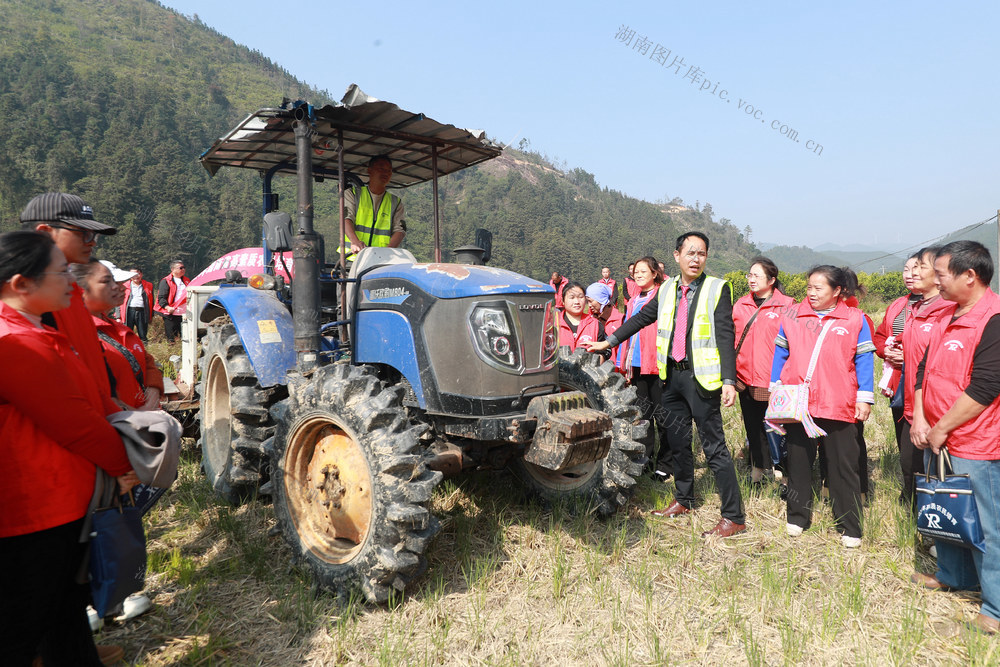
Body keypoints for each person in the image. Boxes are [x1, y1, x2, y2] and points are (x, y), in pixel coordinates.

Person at [0, 230, 135, 667]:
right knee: (29, 617)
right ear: (21, 284)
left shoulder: (34, 329)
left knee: (62, 605)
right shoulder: (17, 343)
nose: (71, 283)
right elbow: (74, 424)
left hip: (58, 498)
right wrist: (123, 464)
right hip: (37, 506)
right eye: (61, 275)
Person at [588, 232, 745, 538]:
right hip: (671, 377)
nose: (696, 259)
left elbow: (726, 335)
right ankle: (684, 499)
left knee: (714, 448)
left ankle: (734, 516)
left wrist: (728, 379)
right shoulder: (668, 288)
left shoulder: (717, 288)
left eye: (701, 254)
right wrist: (609, 341)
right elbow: (641, 318)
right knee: (678, 441)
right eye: (690, 253)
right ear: (676, 256)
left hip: (702, 380)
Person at [911, 240, 1000, 634]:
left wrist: (942, 427)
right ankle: (952, 574)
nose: (936, 280)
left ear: (970, 275)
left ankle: (994, 607)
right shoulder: (947, 313)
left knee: (985, 524)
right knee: (945, 511)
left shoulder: (993, 319)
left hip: (975, 441)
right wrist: (919, 418)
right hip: (936, 434)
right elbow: (923, 370)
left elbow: (985, 386)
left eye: (942, 273)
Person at [771, 265, 875, 548]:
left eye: (819, 288)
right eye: (809, 288)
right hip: (800, 403)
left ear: (837, 291)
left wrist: (865, 396)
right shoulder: (792, 314)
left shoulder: (855, 319)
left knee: (843, 466)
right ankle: (797, 517)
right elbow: (780, 353)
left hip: (838, 402)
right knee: (799, 462)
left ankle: (849, 525)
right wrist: (774, 387)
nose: (812, 293)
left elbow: (864, 360)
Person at [20, 192, 120, 416]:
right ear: (46, 233)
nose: (92, 241)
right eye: (84, 234)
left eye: (94, 234)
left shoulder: (70, 289)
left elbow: (93, 351)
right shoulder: (28, 298)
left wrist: (112, 399)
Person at [872, 253, 934, 509]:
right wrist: (887, 352)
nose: (910, 274)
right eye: (907, 269)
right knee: (905, 439)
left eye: (917, 268)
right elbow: (880, 337)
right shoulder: (898, 305)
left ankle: (926, 498)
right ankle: (909, 491)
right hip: (899, 383)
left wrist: (908, 356)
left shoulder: (942, 308)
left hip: (926, 386)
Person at [733, 257, 795, 486]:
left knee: (780, 429)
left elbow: (794, 342)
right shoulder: (740, 304)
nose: (751, 279)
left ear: (772, 279)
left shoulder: (787, 305)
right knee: (753, 426)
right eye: (749, 275)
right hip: (745, 377)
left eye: (757, 276)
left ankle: (787, 476)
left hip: (774, 379)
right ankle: (758, 471)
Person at [75, 260, 164, 411]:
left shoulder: (119, 329)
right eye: (108, 281)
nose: (121, 287)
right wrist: (131, 415)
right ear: (80, 289)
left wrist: (151, 402)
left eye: (120, 282)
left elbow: (148, 363)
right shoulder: (77, 334)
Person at [614, 256, 670, 472]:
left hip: (657, 365)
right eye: (635, 272)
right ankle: (645, 461)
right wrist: (623, 363)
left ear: (655, 273)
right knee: (643, 417)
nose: (637, 275)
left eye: (643, 271)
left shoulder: (662, 296)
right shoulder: (635, 298)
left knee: (664, 417)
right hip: (636, 365)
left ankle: (666, 464)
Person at [340, 155, 406, 263]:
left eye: (389, 171)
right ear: (369, 171)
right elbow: (346, 219)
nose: (386, 173)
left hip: (381, 262)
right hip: (352, 259)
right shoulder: (353, 194)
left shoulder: (395, 202)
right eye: (381, 169)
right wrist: (355, 242)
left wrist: (387, 252)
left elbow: (400, 230)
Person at [557, 282, 603, 351]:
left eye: (581, 297)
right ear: (563, 300)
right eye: (572, 297)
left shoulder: (595, 324)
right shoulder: (553, 324)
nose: (577, 302)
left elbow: (604, 352)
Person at [155, 260, 190, 342]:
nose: (183, 269)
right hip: (171, 313)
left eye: (184, 267)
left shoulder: (187, 280)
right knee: (171, 338)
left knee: (184, 336)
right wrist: (167, 307)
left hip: (184, 313)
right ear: (173, 269)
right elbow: (161, 297)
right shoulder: (166, 281)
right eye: (181, 268)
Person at [119, 267, 154, 342]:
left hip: (142, 312)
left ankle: (144, 350)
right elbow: (118, 301)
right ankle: (128, 350)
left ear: (141, 274)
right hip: (129, 312)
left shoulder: (148, 285)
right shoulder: (124, 285)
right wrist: (118, 316)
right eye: (132, 274)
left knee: (143, 334)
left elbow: (152, 301)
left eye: (137, 273)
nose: (135, 276)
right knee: (127, 333)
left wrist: (151, 315)